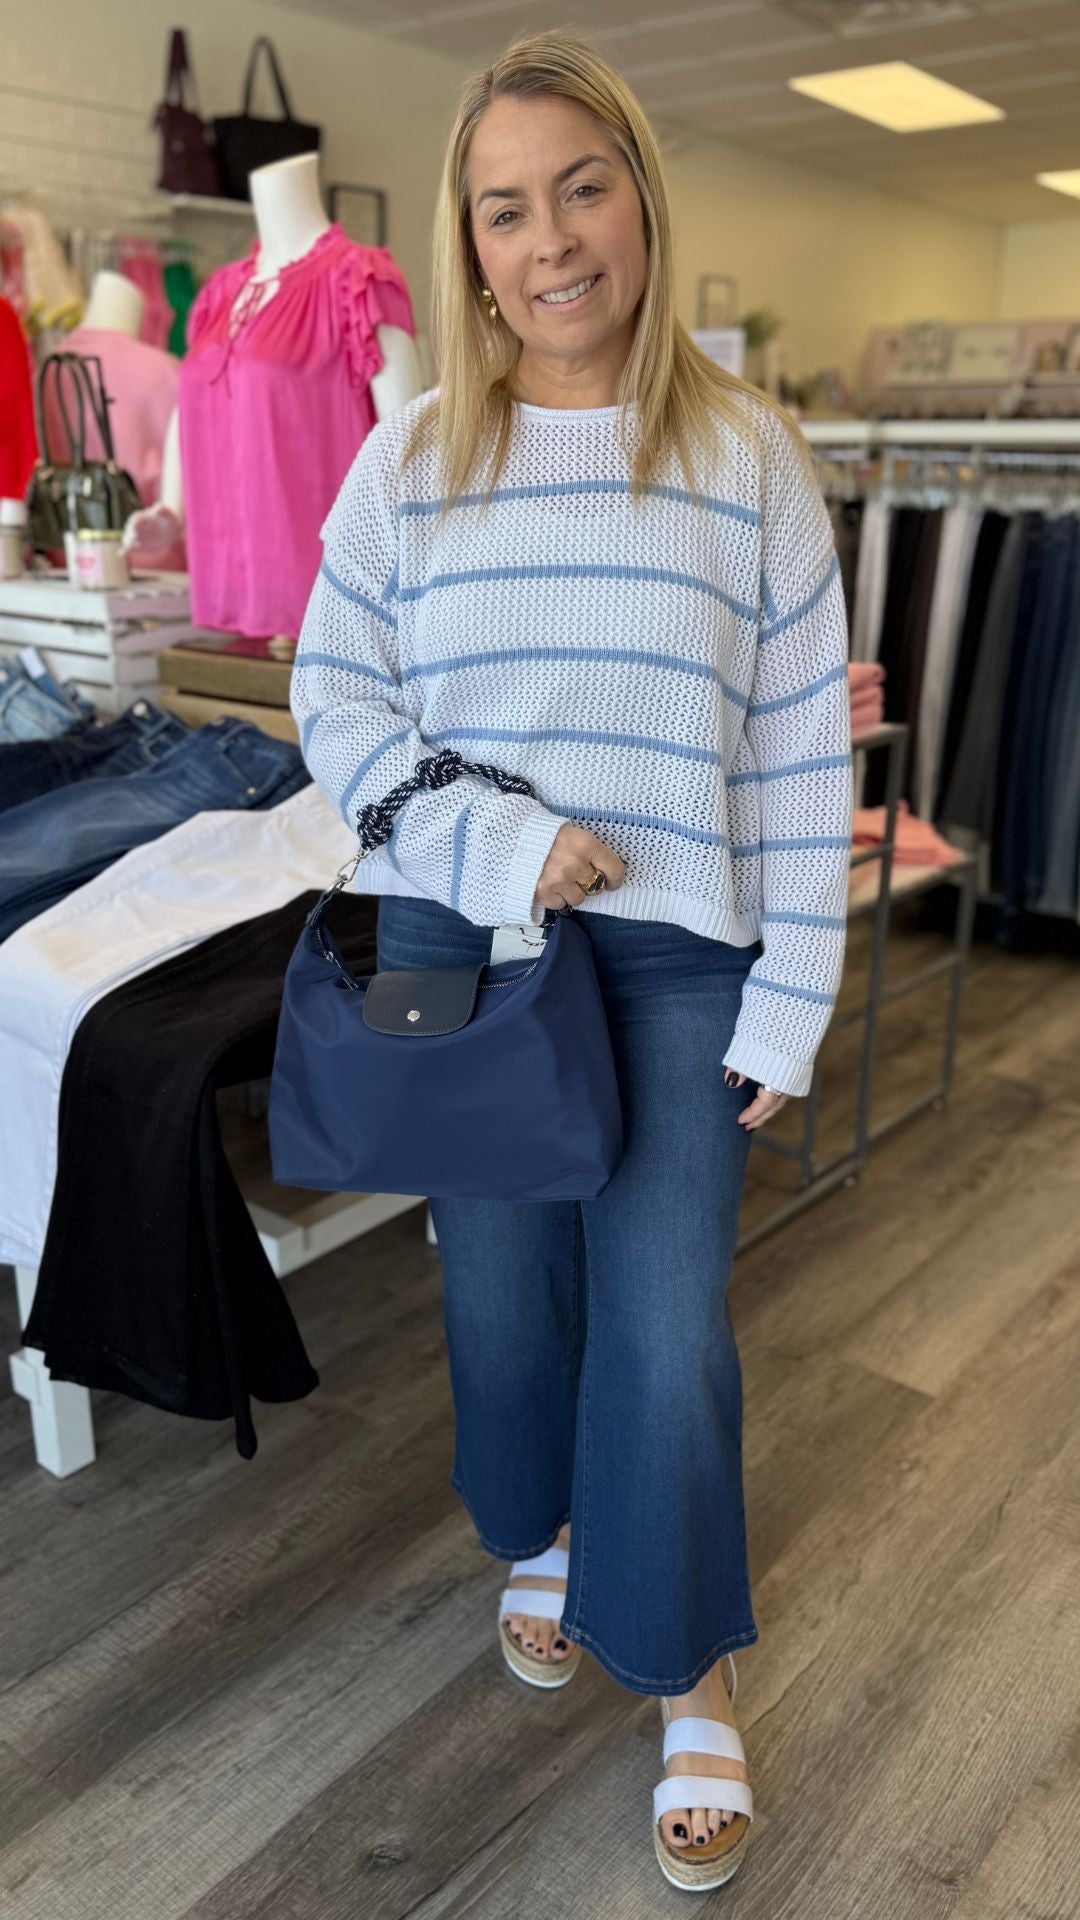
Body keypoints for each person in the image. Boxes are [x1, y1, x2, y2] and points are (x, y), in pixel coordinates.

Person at [290, 28, 851, 1894]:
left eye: (582, 189)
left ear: (641, 200)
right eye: (506, 209)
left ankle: (687, 1664)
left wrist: (797, 989)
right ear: (469, 244)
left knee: (668, 1324)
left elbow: (795, 749)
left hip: (684, 954)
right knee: (499, 1303)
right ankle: (541, 1531)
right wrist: (499, 842)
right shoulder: (411, 457)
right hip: (478, 945)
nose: (551, 242)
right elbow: (334, 699)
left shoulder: (751, 457)